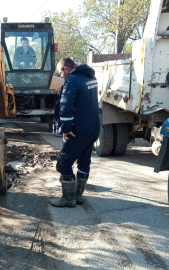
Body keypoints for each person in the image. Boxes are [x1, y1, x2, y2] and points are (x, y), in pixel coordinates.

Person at [50, 57, 100, 208]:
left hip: (79, 129)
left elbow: (66, 106)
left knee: (64, 163)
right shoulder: (90, 77)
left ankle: (68, 199)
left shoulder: (72, 80)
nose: (61, 76)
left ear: (66, 69)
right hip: (93, 127)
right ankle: (78, 196)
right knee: (84, 161)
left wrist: (66, 129)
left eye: (60, 73)